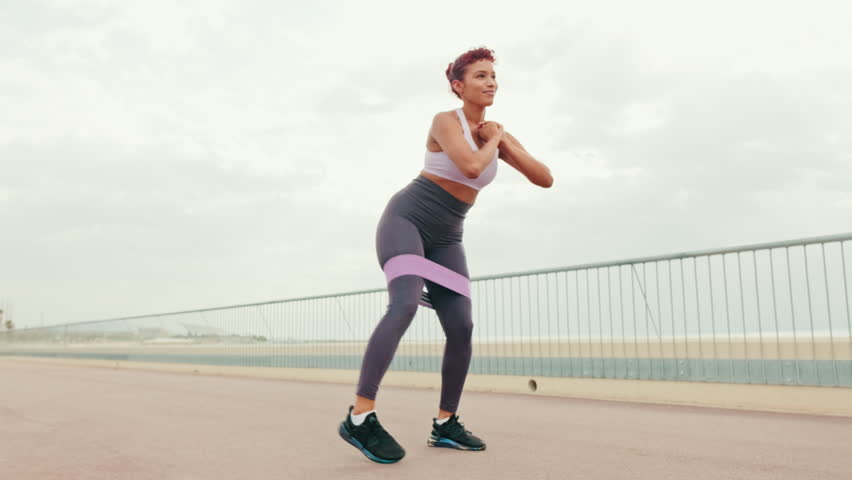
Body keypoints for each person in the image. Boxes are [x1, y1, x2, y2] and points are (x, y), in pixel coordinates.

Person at [338, 46, 553, 463]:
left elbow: (544, 178)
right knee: (403, 305)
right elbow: (471, 168)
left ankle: (445, 424)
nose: (491, 82)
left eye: (494, 76)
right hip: (408, 219)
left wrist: (503, 141)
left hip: (448, 236)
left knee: (462, 325)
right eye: (480, 76)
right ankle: (361, 416)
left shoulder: (496, 136)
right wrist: (492, 143)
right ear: (458, 85)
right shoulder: (445, 121)